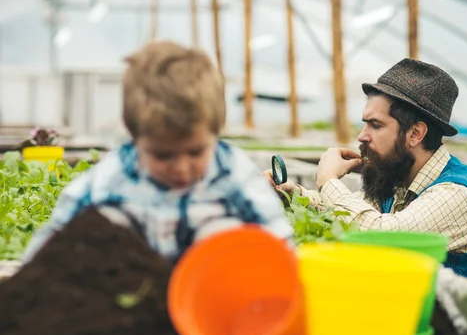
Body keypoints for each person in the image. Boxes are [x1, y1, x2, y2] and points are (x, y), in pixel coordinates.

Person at [22, 40, 293, 264]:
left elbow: (280, 244)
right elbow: (47, 249)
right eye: (163, 156)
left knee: (224, 232)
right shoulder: (110, 181)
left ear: (215, 133)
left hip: (213, 303)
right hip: (133, 303)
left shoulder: (233, 172)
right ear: (135, 139)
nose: (182, 167)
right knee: (107, 225)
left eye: (196, 152)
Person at [264, 59, 467, 289]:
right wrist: (290, 195)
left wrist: (328, 181)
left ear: (415, 134)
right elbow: (350, 214)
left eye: (376, 125)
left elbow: (383, 238)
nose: (362, 136)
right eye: (365, 123)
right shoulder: (395, 179)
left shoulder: (458, 193)